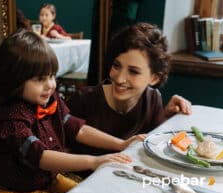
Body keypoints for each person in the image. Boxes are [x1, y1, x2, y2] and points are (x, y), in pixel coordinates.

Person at [0, 29, 139, 193]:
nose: (50, 85)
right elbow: (41, 156)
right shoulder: (12, 119)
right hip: (12, 192)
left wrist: (121, 144)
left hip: (43, 179)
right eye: (40, 79)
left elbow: (78, 129)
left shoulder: (48, 99)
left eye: (52, 76)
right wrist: (93, 162)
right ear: (14, 80)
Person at [67, 23, 192, 157]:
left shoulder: (153, 99)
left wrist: (166, 117)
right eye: (116, 65)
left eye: (133, 71)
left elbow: (154, 148)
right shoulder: (83, 100)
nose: (120, 79)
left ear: (154, 78)